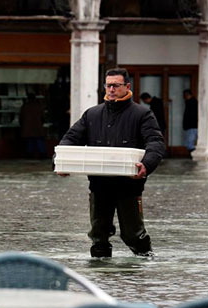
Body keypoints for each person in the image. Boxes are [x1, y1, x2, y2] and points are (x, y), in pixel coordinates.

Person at [58, 68, 165, 258]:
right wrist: (61, 163)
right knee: (98, 234)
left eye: (116, 85)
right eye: (108, 85)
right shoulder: (92, 115)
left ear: (127, 86)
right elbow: (70, 139)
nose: (111, 89)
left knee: (133, 235)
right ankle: (101, 276)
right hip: (99, 185)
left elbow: (155, 143)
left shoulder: (142, 114)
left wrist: (146, 165)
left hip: (130, 185)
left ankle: (144, 265)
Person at [19, 92, 46, 158]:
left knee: (30, 141)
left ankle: (29, 154)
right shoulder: (38, 106)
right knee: (39, 140)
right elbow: (43, 117)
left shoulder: (25, 106)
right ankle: (42, 153)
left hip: (28, 127)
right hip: (38, 127)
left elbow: (21, 117)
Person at [182, 89, 198, 153]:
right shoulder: (191, 102)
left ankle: (193, 154)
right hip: (191, 125)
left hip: (191, 126)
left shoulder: (192, 102)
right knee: (189, 142)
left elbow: (190, 115)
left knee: (189, 143)